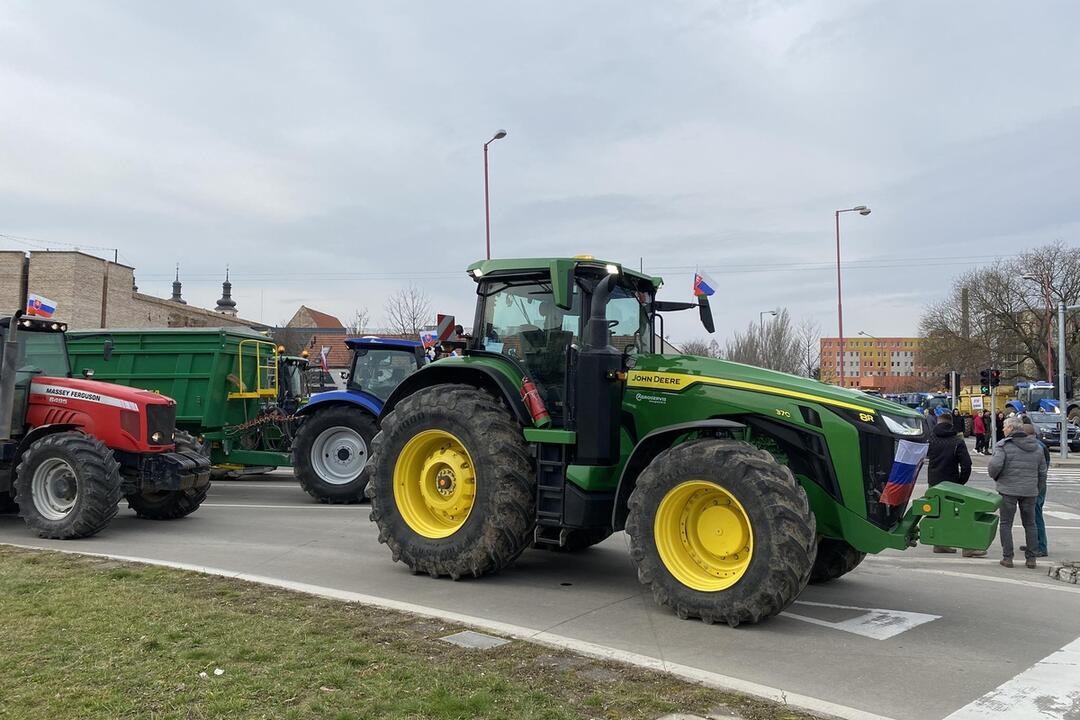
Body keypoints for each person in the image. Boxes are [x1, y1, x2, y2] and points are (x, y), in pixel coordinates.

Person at [988, 415, 1047, 569]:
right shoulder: (1037, 447)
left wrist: (998, 479)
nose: (1003, 429)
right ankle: (1031, 559)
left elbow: (994, 467)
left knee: (1006, 523)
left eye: (1005, 427)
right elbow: (1042, 473)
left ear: (1011, 429)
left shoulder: (1003, 446)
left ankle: (1008, 558)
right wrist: (1036, 488)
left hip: (1008, 490)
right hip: (1030, 491)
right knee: (1030, 524)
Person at [927, 408, 981, 556]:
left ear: (938, 423)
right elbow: (966, 465)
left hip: (934, 482)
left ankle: (940, 544)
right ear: (951, 423)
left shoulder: (931, 439)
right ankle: (967, 547)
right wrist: (960, 481)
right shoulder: (957, 441)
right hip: (951, 482)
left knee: (938, 513)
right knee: (958, 514)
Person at [1020, 418, 1050, 558]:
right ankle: (1034, 543)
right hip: (1037, 484)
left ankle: (1041, 546)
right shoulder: (1040, 445)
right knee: (1031, 516)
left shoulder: (1038, 447)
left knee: (1035, 516)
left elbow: (1041, 469)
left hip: (1036, 485)